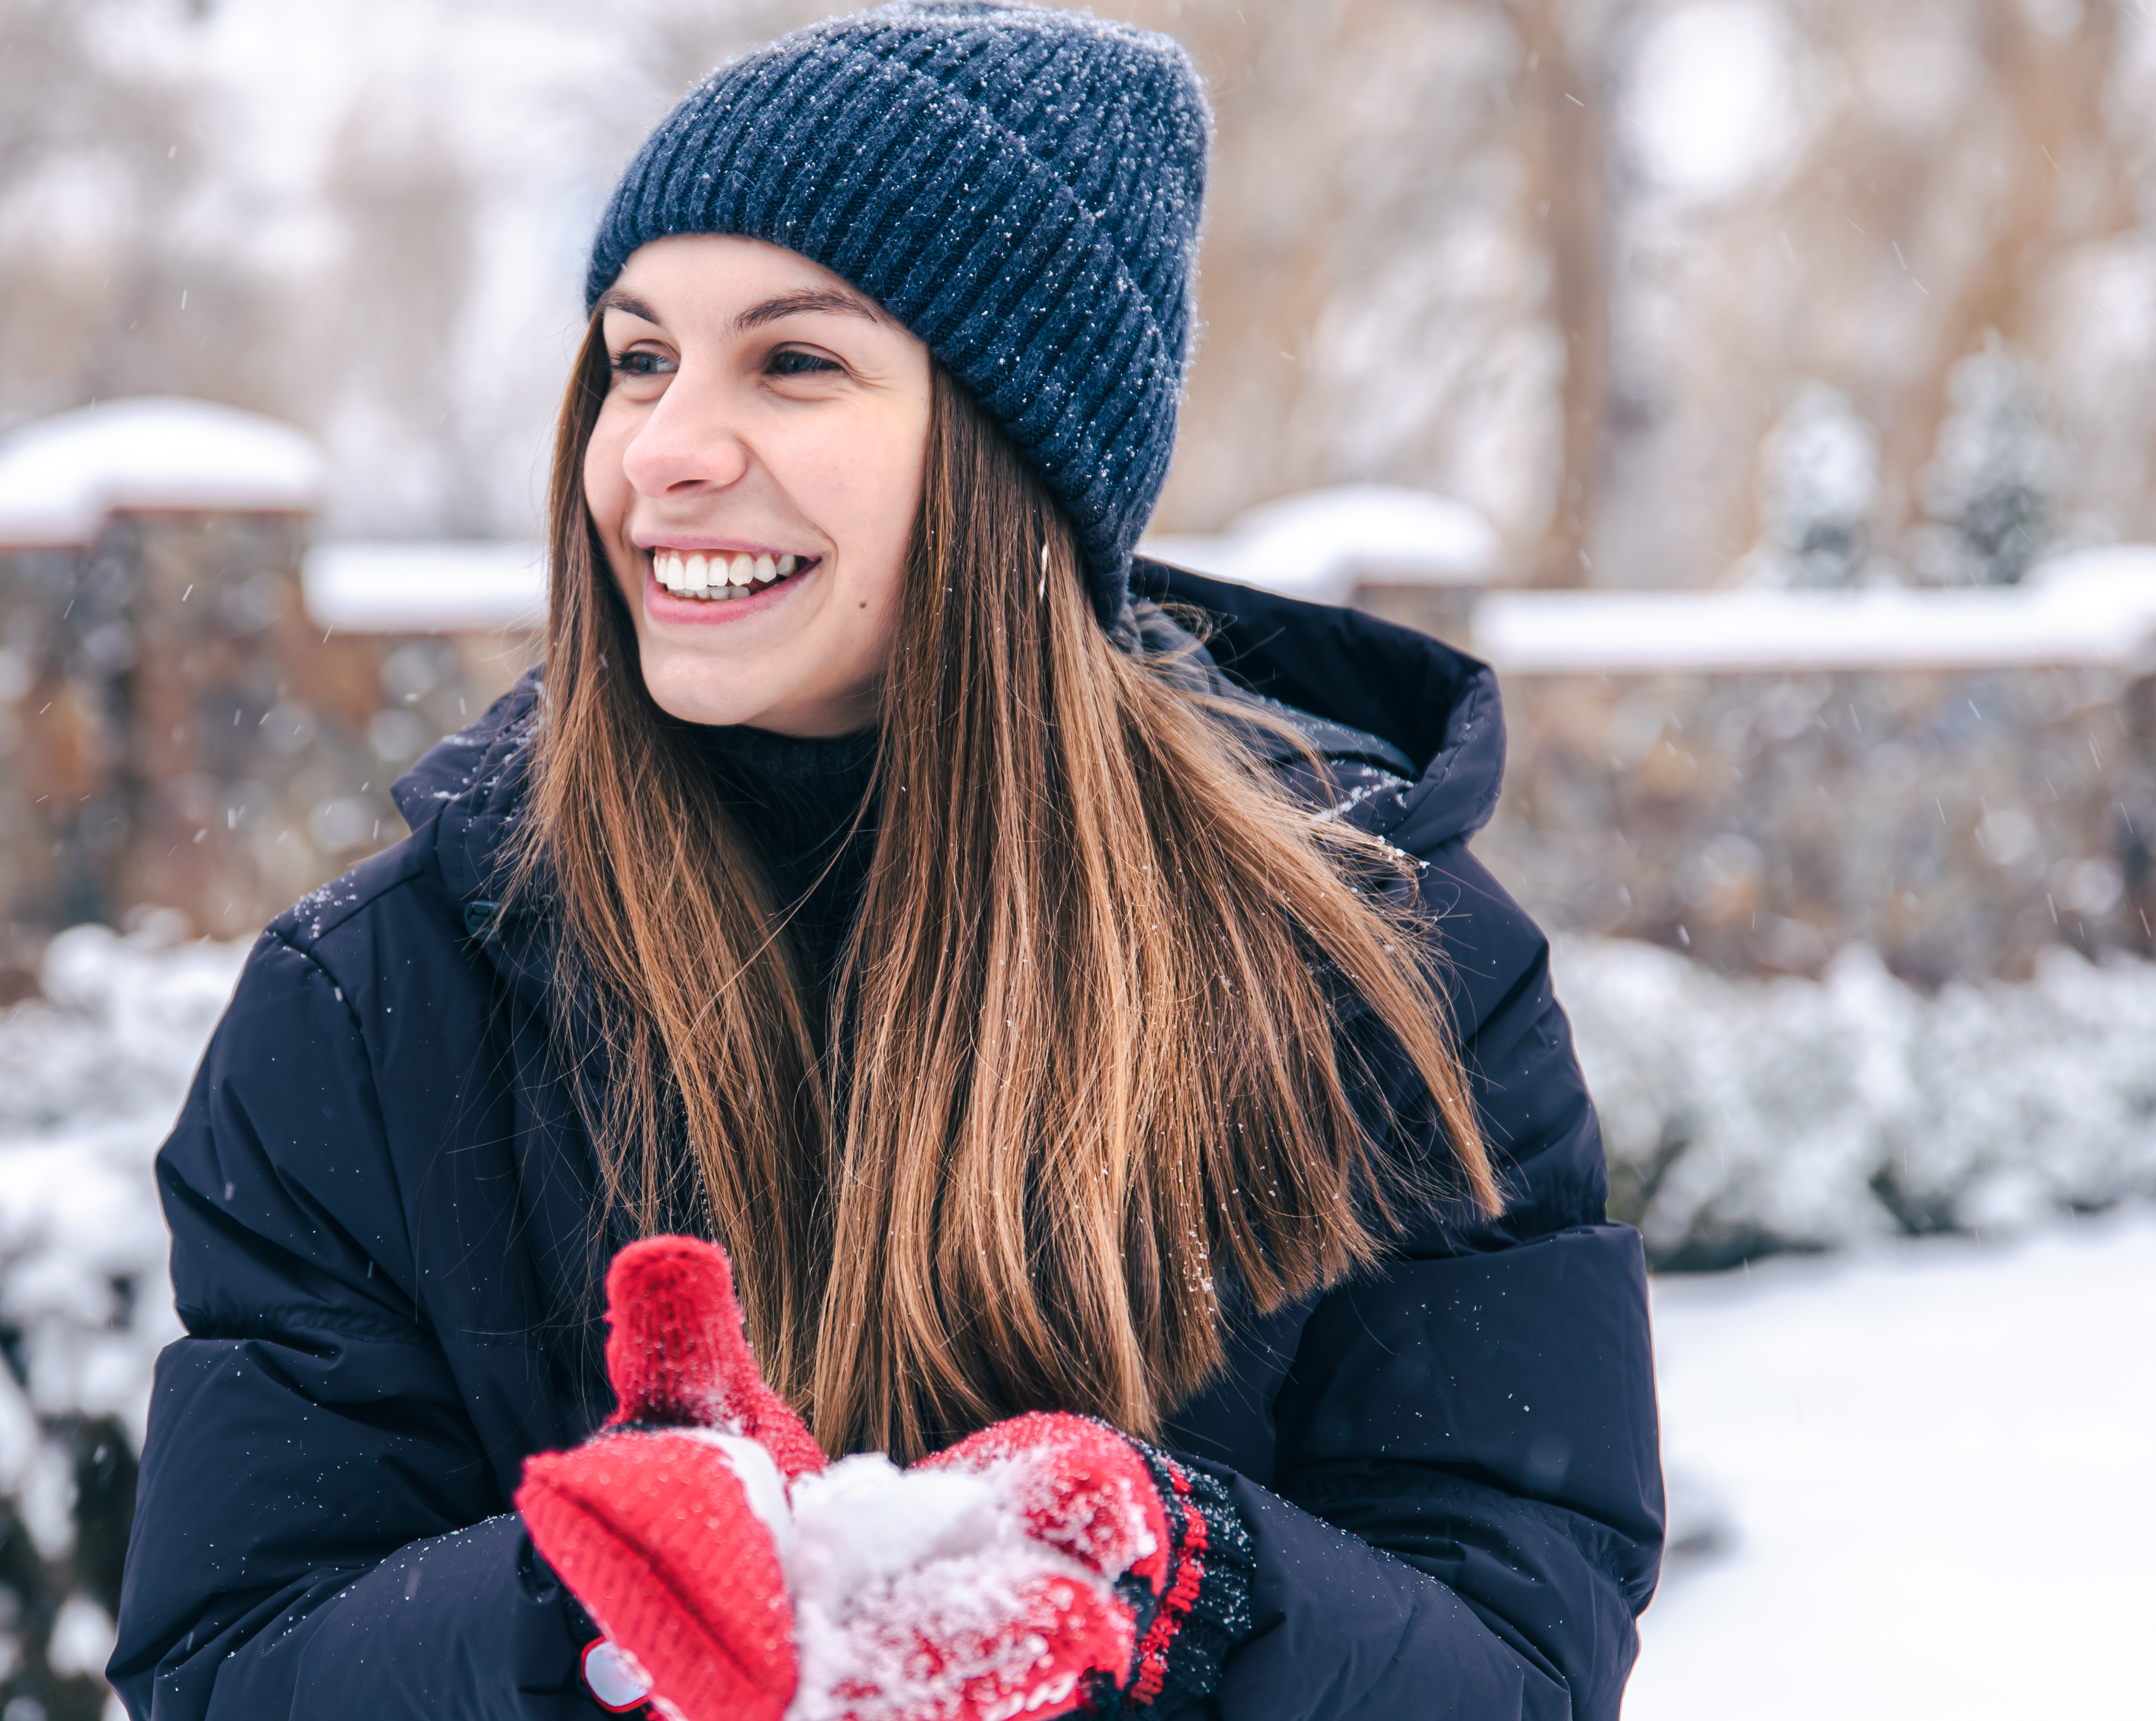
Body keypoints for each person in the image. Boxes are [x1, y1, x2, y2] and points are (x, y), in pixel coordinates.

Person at [107, 4, 1662, 1718]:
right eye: (638, 358)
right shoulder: (374, 1005)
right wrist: (575, 1601)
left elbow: (1520, 1660)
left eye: (793, 361)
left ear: (1013, 457)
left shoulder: (1391, 978)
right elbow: (228, 1664)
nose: (663, 452)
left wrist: (1201, 1586)